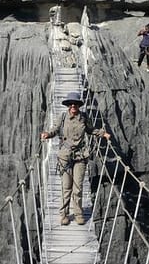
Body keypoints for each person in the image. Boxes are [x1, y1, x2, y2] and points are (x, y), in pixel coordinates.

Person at [40, 92, 111, 226]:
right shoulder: (62, 117)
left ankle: (78, 214)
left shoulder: (84, 117)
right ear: (68, 105)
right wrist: (47, 135)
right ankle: (64, 215)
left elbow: (91, 130)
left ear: (79, 105)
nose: (73, 105)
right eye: (71, 103)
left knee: (77, 188)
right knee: (66, 187)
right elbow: (54, 130)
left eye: (76, 103)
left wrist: (103, 134)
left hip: (80, 155)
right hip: (65, 156)